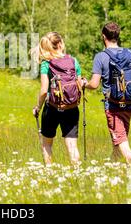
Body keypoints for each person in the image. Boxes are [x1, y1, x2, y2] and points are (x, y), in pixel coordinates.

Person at [83, 22, 131, 165]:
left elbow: (94, 84)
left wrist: (84, 84)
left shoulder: (101, 56)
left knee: (121, 141)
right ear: (118, 36)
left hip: (113, 105)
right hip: (130, 103)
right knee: (118, 141)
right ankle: (110, 170)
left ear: (103, 36)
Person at [32, 32, 84, 166]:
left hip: (52, 109)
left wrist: (38, 107)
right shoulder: (73, 61)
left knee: (47, 144)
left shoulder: (46, 64)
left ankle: (49, 173)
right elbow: (79, 85)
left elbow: (44, 90)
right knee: (72, 146)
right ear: (60, 44)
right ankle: (78, 174)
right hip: (71, 108)